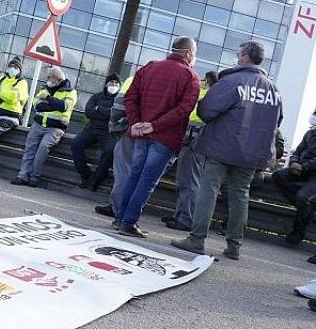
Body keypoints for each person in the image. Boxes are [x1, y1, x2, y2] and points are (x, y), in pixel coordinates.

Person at [172, 41, 282, 260]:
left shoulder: (232, 81)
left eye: (238, 53)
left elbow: (206, 111)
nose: (236, 56)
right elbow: (277, 120)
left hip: (222, 147)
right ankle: (234, 246)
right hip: (251, 154)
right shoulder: (273, 89)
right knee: (240, 195)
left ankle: (196, 239)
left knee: (208, 190)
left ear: (245, 58)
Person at [117, 37, 200, 238]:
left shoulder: (149, 68)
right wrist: (154, 126)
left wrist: (137, 122)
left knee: (134, 174)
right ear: (189, 52)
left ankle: (120, 218)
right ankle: (128, 222)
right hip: (165, 136)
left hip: (140, 134)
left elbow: (130, 97)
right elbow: (184, 110)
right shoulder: (191, 77)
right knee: (147, 180)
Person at [163, 71, 218, 231]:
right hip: (196, 137)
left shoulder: (206, 94)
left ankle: (186, 218)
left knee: (188, 179)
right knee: (187, 179)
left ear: (207, 81)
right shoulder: (214, 96)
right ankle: (181, 214)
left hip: (193, 137)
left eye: (202, 80)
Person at [12, 67, 77, 187]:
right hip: (38, 124)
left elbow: (64, 106)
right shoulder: (44, 88)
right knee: (29, 150)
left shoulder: (70, 91)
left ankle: (34, 177)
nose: (47, 79)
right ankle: (22, 175)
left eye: (49, 77)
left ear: (58, 79)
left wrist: (47, 99)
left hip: (55, 128)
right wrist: (53, 105)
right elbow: (36, 105)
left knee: (42, 149)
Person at [272, 108, 316, 247]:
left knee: (302, 197)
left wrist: (303, 166)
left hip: (312, 172)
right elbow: (298, 150)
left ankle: (298, 231)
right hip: (301, 168)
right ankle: (307, 210)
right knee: (278, 176)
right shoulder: (310, 133)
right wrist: (294, 163)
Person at [71, 73, 121, 191]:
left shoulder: (120, 99)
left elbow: (116, 114)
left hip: (109, 132)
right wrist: (107, 113)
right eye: (111, 82)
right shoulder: (96, 97)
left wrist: (99, 109)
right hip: (92, 128)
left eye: (116, 83)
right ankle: (86, 176)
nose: (113, 84)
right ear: (106, 84)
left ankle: (96, 180)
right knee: (75, 145)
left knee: (109, 151)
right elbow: (88, 112)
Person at [94, 75, 133, 218]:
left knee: (122, 171)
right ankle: (126, 210)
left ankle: (116, 207)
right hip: (151, 134)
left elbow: (117, 109)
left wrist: (115, 126)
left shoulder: (134, 79)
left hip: (129, 129)